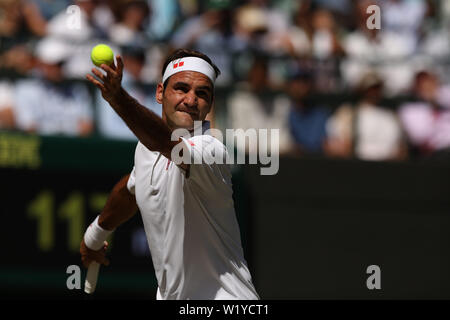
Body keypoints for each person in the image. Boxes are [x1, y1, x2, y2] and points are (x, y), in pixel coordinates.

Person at [80, 48, 260, 300]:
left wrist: (118, 98)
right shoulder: (146, 148)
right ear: (159, 93)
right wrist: (94, 236)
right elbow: (130, 189)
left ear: (209, 105)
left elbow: (165, 144)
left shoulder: (211, 150)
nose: (190, 99)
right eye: (181, 88)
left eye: (202, 93)